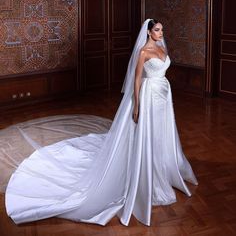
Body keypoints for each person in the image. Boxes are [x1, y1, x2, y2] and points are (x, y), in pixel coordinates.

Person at [5, 19, 198, 226]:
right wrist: (136, 106)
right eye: (158, 30)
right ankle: (145, 172)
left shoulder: (162, 48)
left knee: (161, 133)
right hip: (149, 95)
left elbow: (162, 71)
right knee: (147, 133)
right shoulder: (143, 52)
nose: (161, 33)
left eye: (162, 30)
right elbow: (136, 79)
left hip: (163, 95)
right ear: (149, 32)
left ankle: (162, 165)